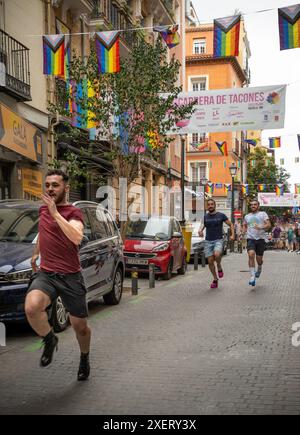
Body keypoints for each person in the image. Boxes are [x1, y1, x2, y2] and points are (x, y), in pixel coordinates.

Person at [25, 169, 91, 381]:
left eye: (55, 185)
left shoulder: (73, 213)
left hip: (70, 276)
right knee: (32, 307)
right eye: (48, 185)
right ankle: (49, 339)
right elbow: (44, 233)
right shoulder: (44, 210)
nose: (50, 189)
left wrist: (55, 213)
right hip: (47, 273)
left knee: (80, 327)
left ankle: (84, 357)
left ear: (66, 188)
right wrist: (36, 253)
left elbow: (76, 237)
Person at [198, 199, 234, 289]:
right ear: (207, 206)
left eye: (212, 204)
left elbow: (231, 224)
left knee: (217, 254)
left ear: (215, 205)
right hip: (208, 241)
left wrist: (233, 234)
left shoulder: (221, 215)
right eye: (208, 204)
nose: (210, 206)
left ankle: (219, 266)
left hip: (218, 240)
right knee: (210, 261)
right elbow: (201, 226)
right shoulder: (205, 217)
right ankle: (215, 279)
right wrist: (200, 231)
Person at [242, 199, 271, 286]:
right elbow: (244, 225)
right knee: (251, 255)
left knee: (259, 260)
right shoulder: (247, 216)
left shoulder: (263, 214)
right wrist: (243, 232)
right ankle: (252, 276)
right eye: (251, 205)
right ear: (250, 206)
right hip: (250, 239)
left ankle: (259, 268)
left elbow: (268, 225)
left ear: (258, 206)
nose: (253, 206)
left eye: (255, 204)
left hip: (261, 239)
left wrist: (261, 227)